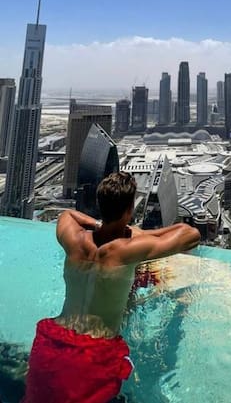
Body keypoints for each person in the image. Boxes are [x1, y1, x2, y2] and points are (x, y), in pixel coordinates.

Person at [21, 171, 201, 403]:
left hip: (54, 341)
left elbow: (67, 215)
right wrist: (140, 234)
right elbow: (191, 235)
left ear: (101, 204)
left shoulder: (74, 242)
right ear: (128, 211)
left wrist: (99, 225)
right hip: (95, 351)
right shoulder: (126, 251)